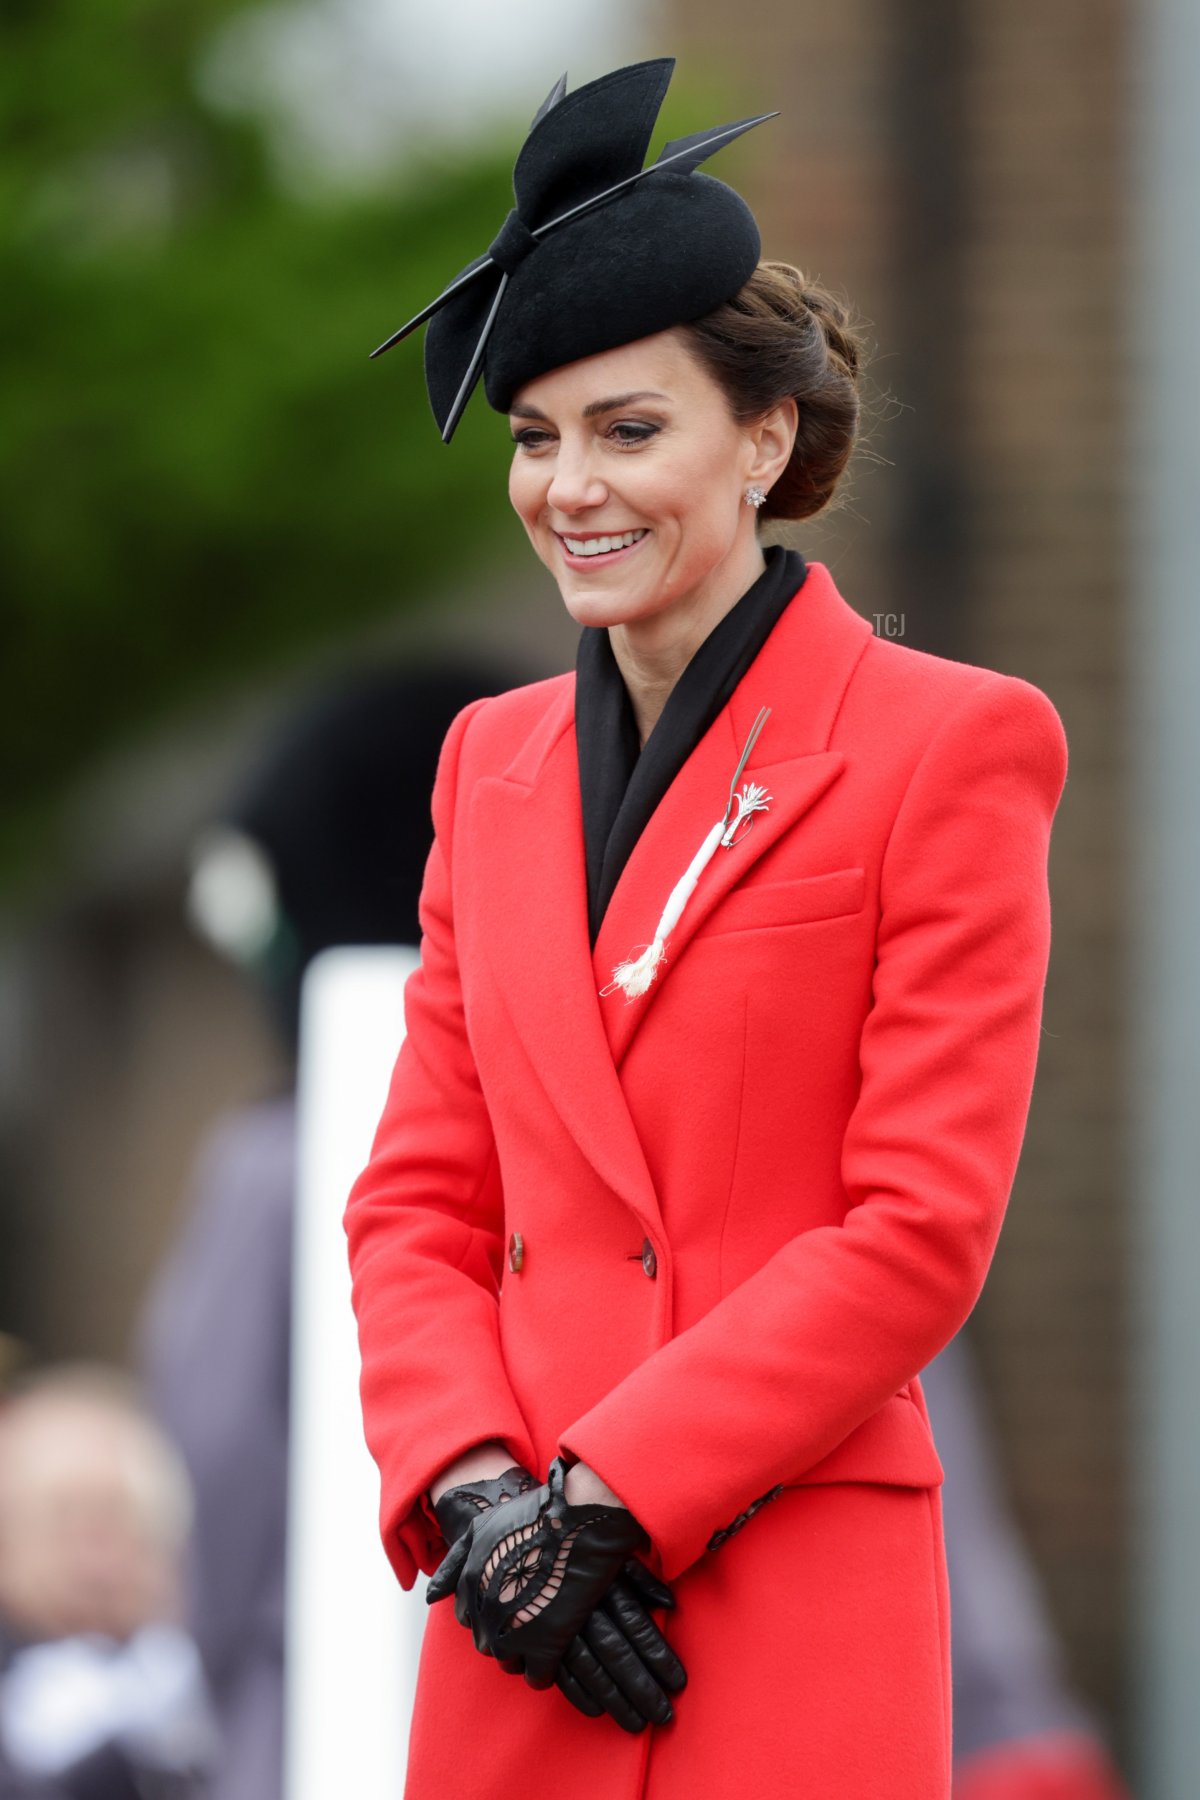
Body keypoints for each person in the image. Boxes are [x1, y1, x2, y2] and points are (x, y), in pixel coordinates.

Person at [342, 57, 1070, 1800]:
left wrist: (610, 1494)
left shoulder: (950, 742)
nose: (568, 488)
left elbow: (917, 1231)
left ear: (765, 440)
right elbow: (416, 1205)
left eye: (628, 428)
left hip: (779, 1588)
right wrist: (482, 1493)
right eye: (535, 436)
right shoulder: (485, 763)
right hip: (518, 1606)